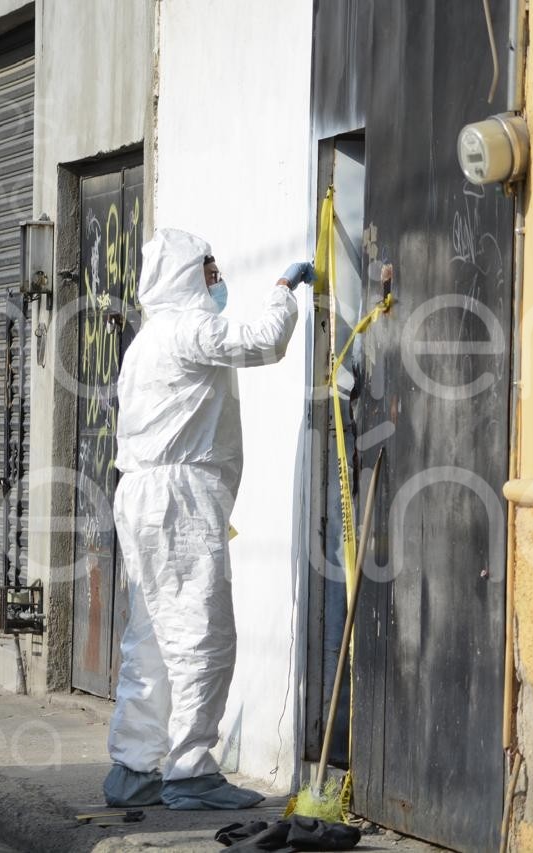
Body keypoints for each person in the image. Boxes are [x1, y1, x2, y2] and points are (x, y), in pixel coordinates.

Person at [103, 227, 314, 810]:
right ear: (185, 276)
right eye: (210, 271)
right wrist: (283, 289)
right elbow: (264, 342)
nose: (217, 282)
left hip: (143, 496)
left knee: (150, 633)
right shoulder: (188, 328)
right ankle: (191, 769)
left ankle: (134, 766)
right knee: (202, 631)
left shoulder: (146, 341)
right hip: (181, 499)